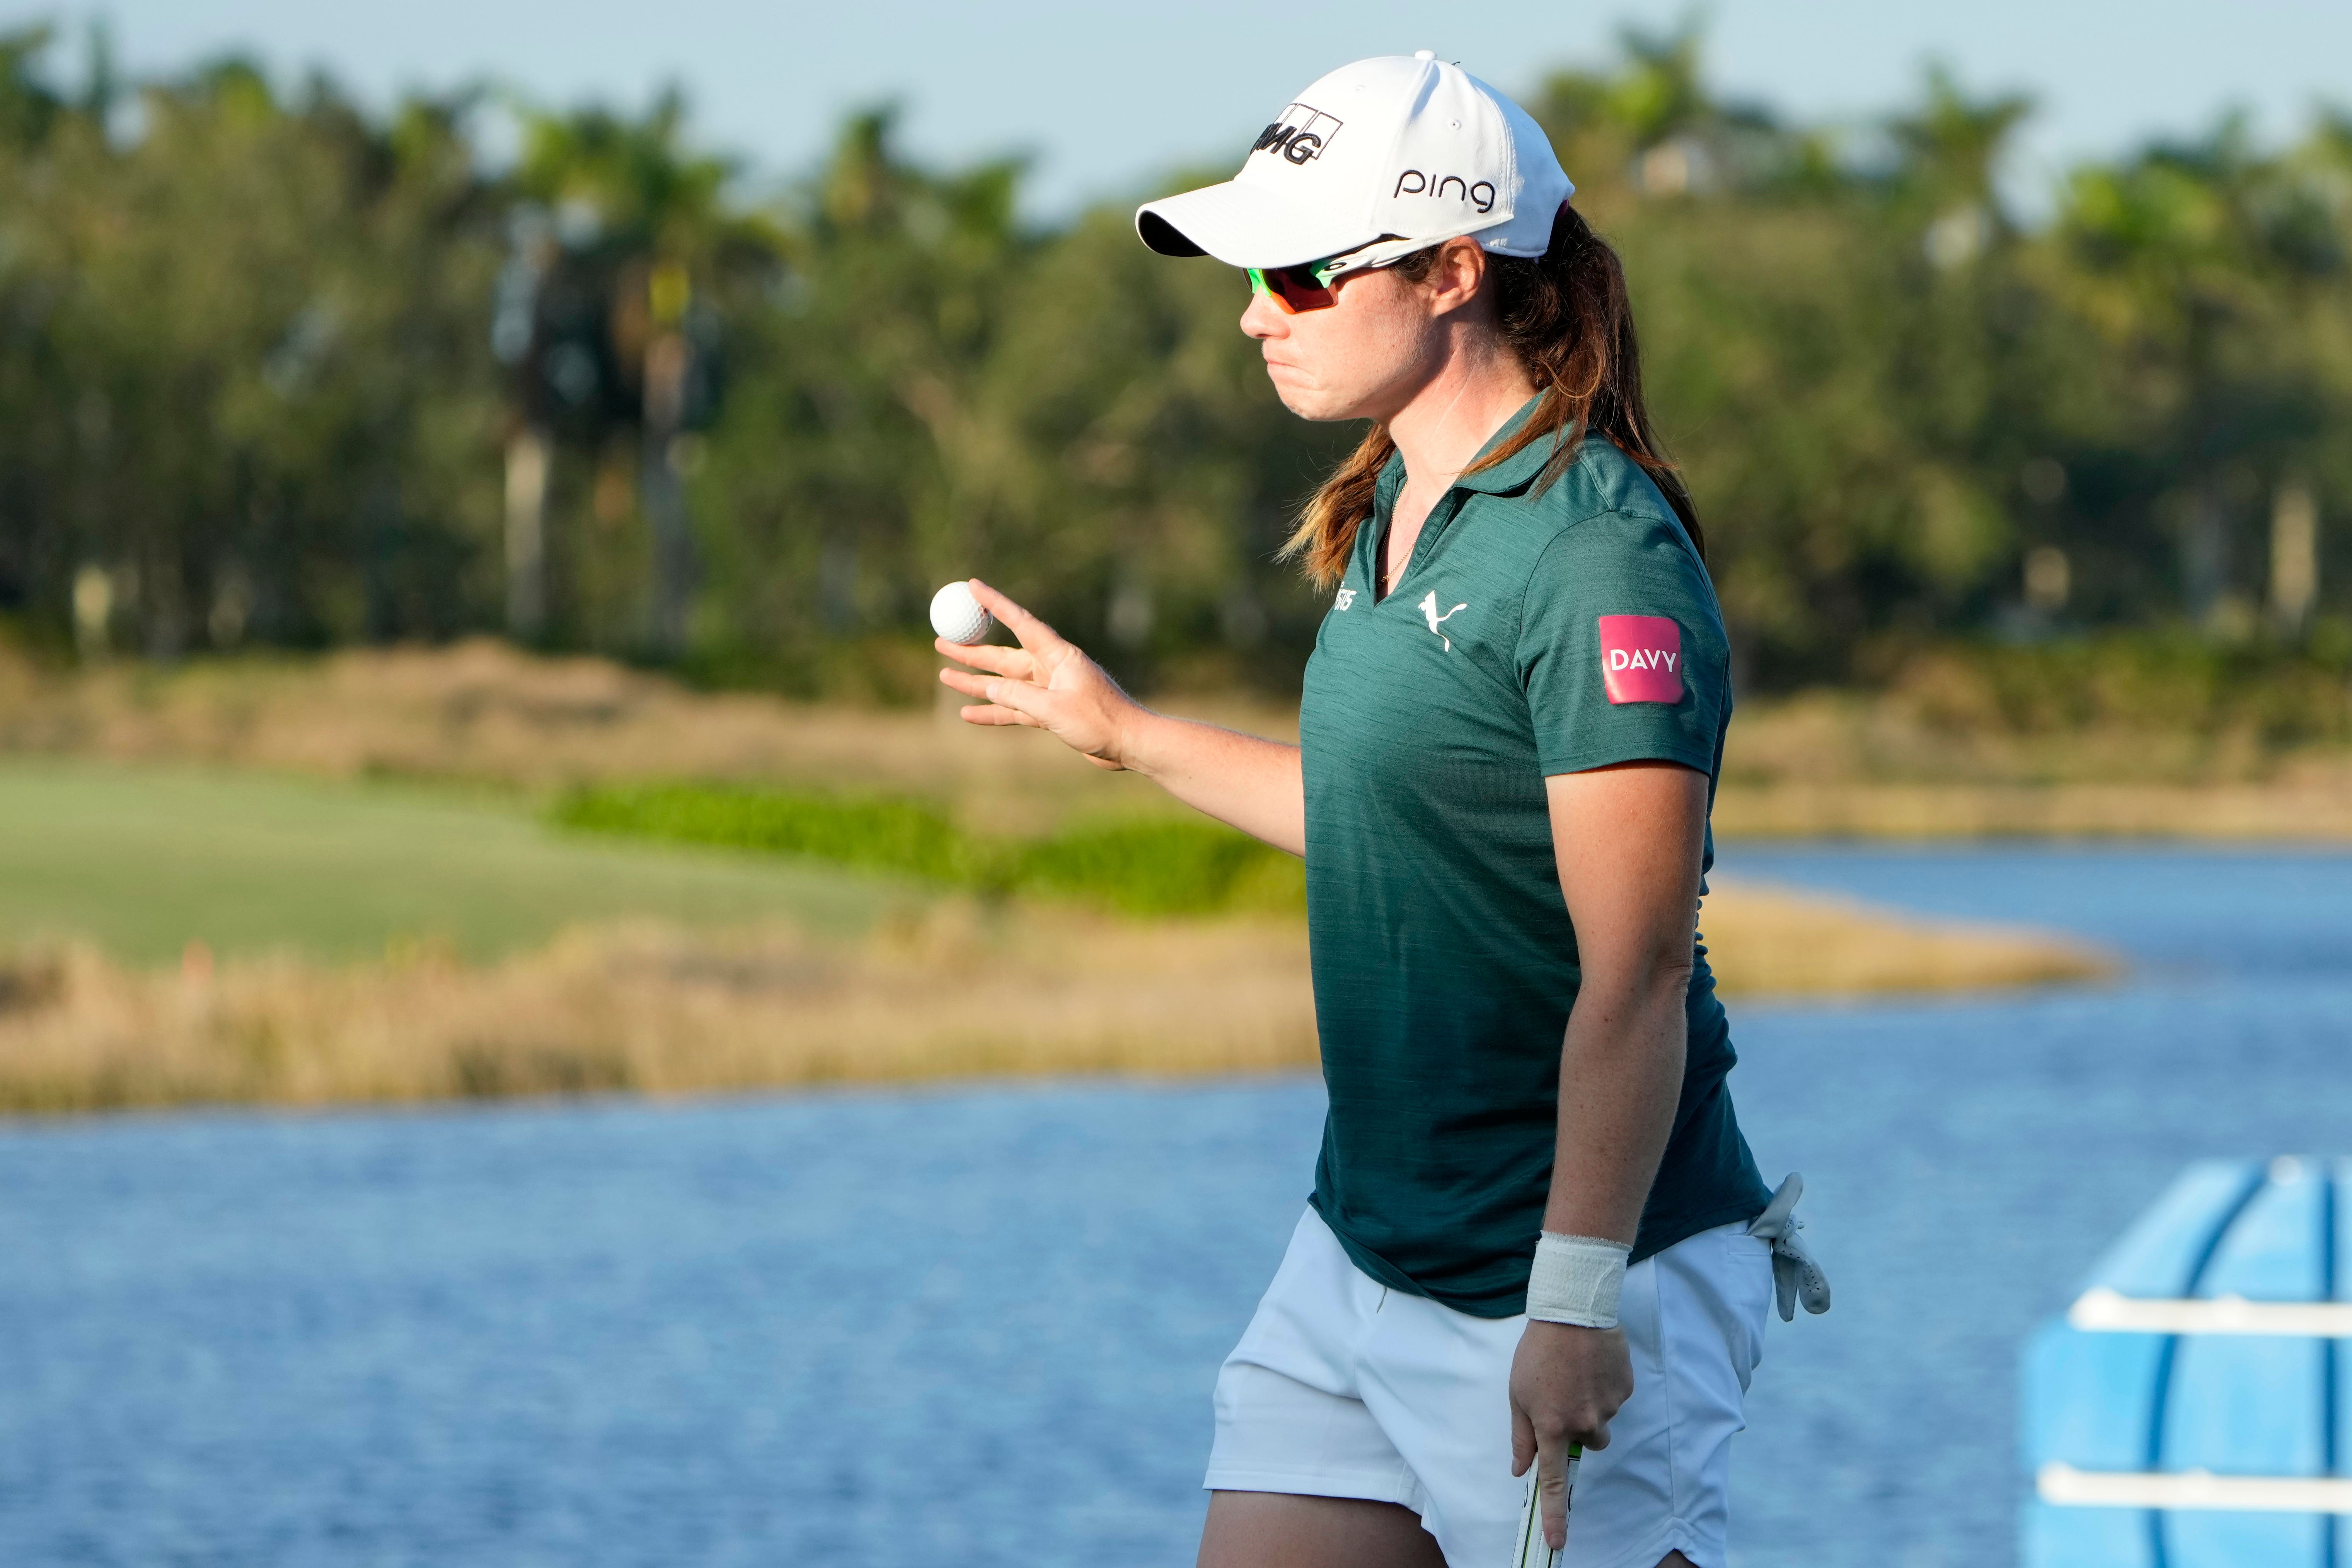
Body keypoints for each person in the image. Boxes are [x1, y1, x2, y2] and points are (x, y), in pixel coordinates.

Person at [938, 52, 1794, 1568]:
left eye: (1297, 272)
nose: (1257, 311)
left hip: (1571, 1274)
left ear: (1456, 268)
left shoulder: (1599, 565)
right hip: (1364, 1249)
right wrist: (1126, 736)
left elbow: (1641, 971)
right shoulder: (1392, 508)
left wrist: (1575, 1303)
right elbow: (1388, 820)